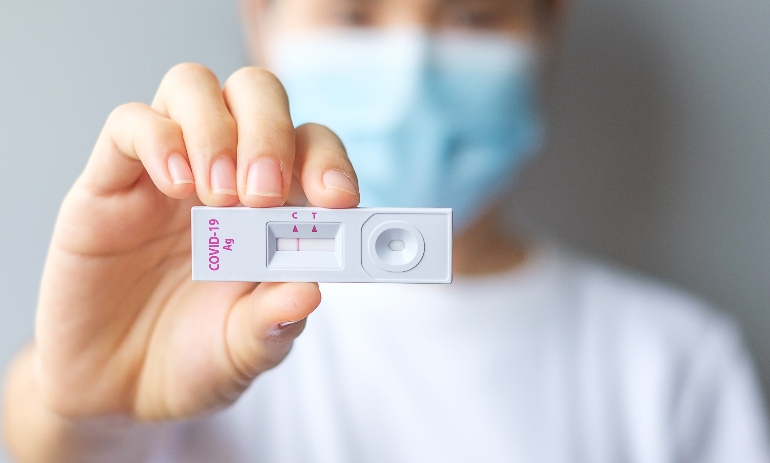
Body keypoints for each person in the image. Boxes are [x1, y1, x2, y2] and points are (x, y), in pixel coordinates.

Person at [3, 0, 770, 461]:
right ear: (261, 16)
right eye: (353, 12)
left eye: (472, 13)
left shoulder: (677, 365)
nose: (411, 71)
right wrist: (82, 406)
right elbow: (57, 441)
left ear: (550, 24)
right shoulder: (197, 312)